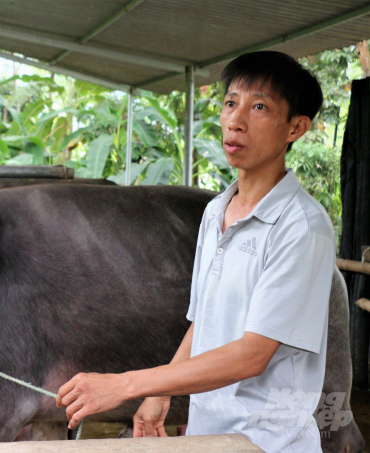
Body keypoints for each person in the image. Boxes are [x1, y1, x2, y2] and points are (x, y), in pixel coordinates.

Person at [56, 51, 335, 453]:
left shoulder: (301, 226)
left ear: (296, 128)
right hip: (209, 436)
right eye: (230, 103)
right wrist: (159, 396)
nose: (235, 121)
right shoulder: (215, 212)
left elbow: (252, 355)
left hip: (268, 443)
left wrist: (127, 384)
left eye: (259, 107)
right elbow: (204, 320)